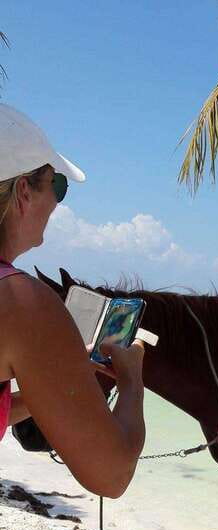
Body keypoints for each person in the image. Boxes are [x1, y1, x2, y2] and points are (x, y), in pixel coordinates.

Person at [0, 104, 145, 497]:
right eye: (58, 186)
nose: (58, 203)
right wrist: (132, 380)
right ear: (24, 192)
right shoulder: (20, 301)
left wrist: (52, 381)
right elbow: (111, 476)